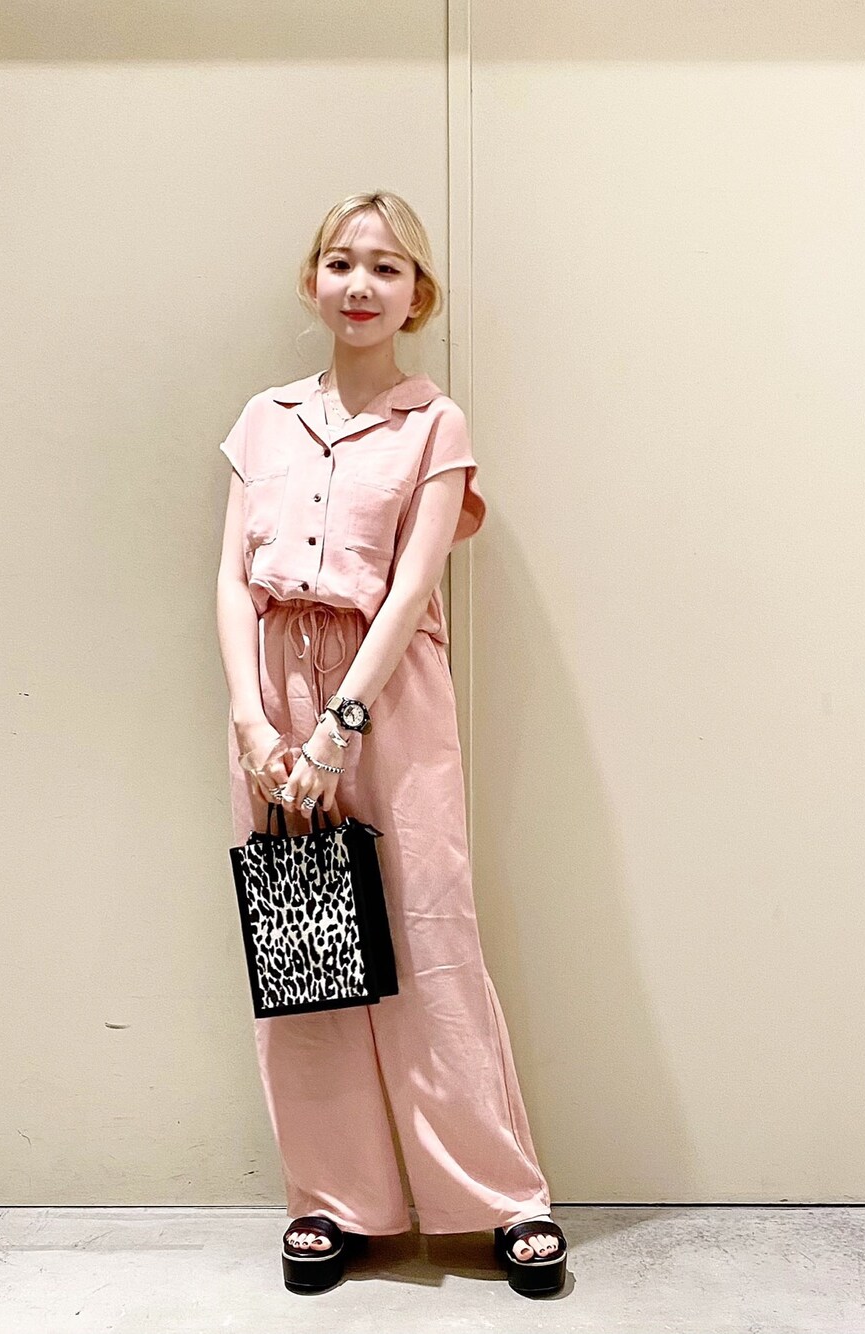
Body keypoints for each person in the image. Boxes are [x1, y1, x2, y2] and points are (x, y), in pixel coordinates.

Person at [214, 190, 567, 1298]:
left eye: (386, 267)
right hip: (273, 690)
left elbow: (414, 585)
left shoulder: (433, 423)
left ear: (419, 294)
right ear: (312, 279)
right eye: (340, 261)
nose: (359, 284)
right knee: (305, 941)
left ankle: (501, 1198)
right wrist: (252, 718)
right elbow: (229, 578)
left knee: (430, 937)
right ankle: (330, 1200)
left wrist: (341, 725)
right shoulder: (263, 418)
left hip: (388, 691)